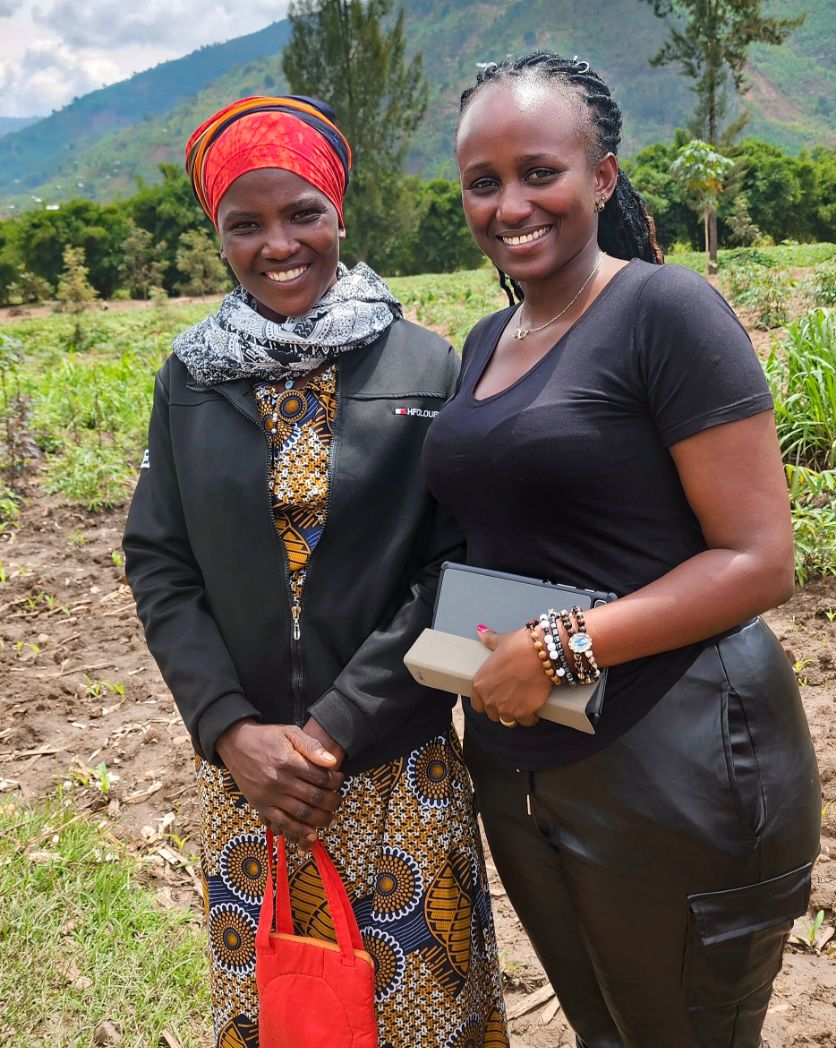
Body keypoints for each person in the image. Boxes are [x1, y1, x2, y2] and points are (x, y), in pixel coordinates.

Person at [422, 53, 821, 1048]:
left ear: (601, 175)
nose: (509, 203)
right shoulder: (484, 338)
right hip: (522, 767)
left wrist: (563, 644)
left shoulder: (662, 311)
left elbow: (759, 557)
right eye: (482, 181)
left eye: (537, 172)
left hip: (675, 764)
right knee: (604, 1032)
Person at [123, 95, 507, 1048]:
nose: (277, 244)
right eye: (243, 225)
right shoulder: (191, 376)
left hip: (391, 768)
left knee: (419, 1012)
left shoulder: (425, 362)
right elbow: (160, 561)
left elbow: (456, 561)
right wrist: (231, 731)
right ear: (218, 236)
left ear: (340, 213)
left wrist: (336, 725)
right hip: (249, 780)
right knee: (286, 1016)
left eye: (301, 213)